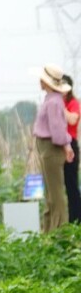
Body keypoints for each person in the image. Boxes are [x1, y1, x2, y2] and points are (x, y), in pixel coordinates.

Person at [32, 65, 76, 233]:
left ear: (46, 82)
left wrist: (66, 145)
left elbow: (57, 131)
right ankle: (50, 230)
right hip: (48, 147)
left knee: (55, 194)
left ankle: (60, 232)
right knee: (51, 194)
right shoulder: (52, 100)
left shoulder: (53, 102)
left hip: (51, 148)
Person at [63, 74, 80, 224]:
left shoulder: (73, 103)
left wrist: (60, 108)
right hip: (59, 145)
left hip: (71, 144)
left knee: (72, 184)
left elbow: (73, 119)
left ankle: (76, 218)